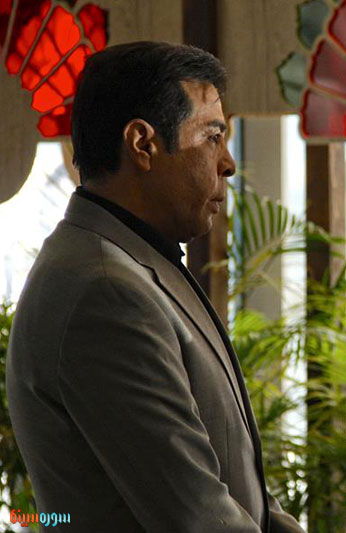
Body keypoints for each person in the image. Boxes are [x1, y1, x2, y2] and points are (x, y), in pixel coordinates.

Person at [7, 42, 304, 532]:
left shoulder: (130, 263)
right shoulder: (104, 291)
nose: (228, 163)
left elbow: (246, 499)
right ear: (142, 144)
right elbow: (199, 519)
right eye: (213, 137)